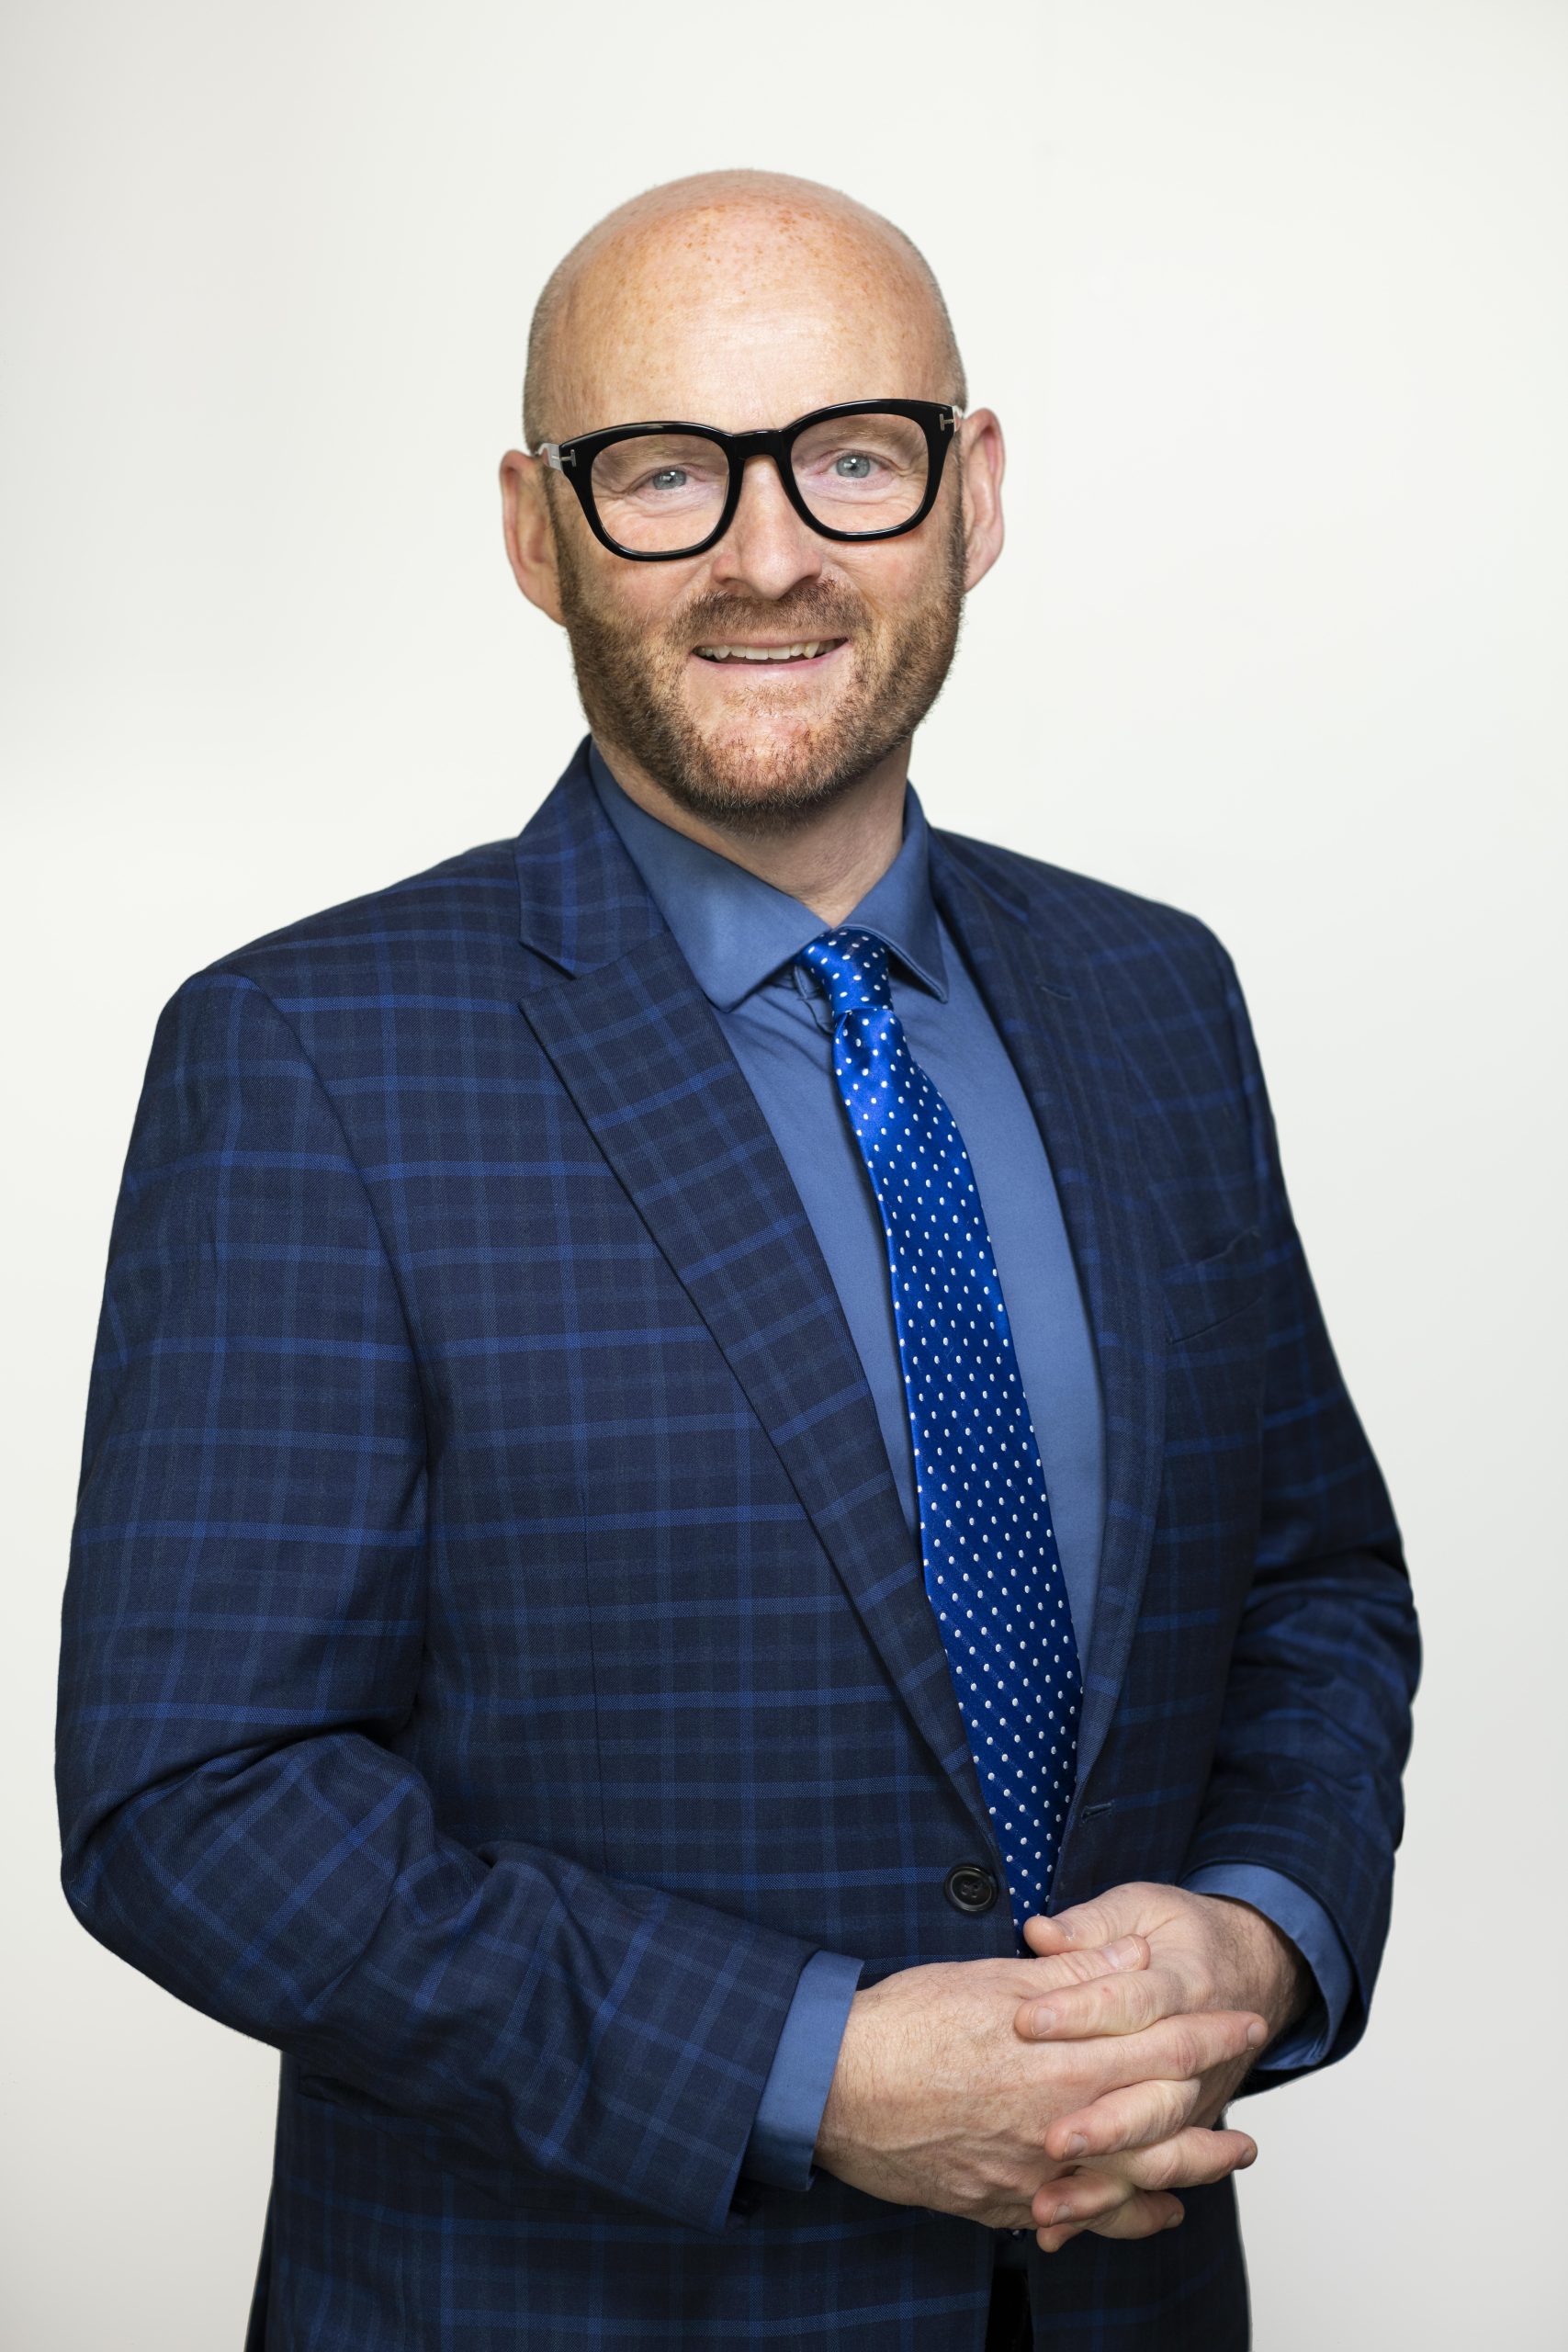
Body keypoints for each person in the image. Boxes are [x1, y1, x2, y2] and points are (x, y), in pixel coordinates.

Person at [55, 169, 1420, 2351]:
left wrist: (1260, 1931)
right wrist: (808, 2071)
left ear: (970, 493)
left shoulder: (1154, 996)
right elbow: (192, 1800)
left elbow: (1309, 1588)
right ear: (535, 528)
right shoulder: (311, 1051)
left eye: (850, 457)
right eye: (664, 471)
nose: (766, 552)